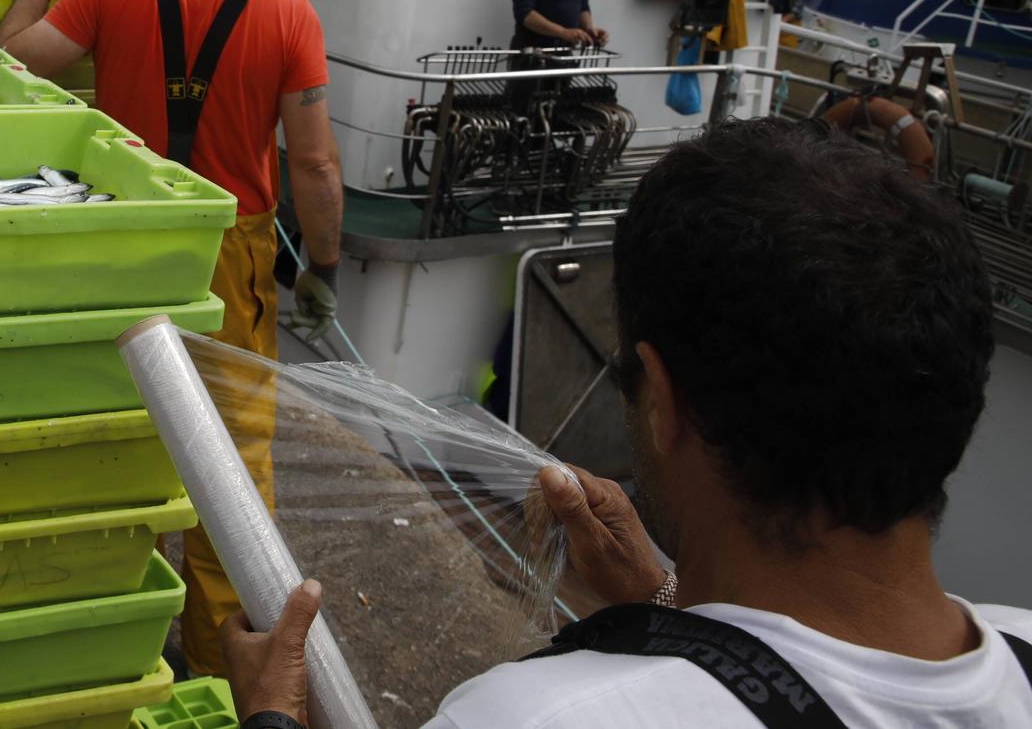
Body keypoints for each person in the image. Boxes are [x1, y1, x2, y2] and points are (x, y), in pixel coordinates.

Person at [222, 117, 1032, 728]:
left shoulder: (533, 717)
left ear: (666, 400)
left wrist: (272, 713)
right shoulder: (1017, 645)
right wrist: (669, 601)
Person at [0, 0, 346, 677]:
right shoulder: (289, 13)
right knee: (230, 468)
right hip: (231, 254)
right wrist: (322, 271)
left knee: (122, 429)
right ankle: (225, 670)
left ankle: (116, 634)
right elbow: (315, 162)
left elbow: (17, 59)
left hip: (126, 244)